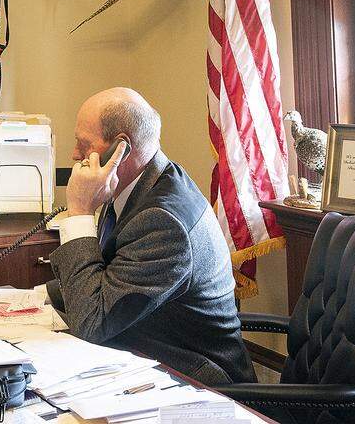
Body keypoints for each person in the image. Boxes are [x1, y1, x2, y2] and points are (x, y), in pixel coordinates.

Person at [46, 87, 255, 386]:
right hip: (143, 348)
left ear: (120, 149)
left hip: (195, 379)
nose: (75, 155)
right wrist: (25, 300)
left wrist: (79, 211)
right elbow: (107, 281)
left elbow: (91, 321)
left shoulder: (163, 221)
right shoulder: (140, 184)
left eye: (83, 144)